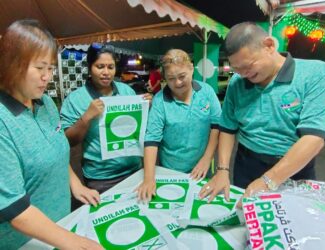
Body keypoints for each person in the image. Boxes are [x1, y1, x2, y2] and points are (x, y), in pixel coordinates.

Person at [199, 22, 325, 202]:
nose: (243, 75)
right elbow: (228, 128)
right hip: (247, 163)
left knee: (291, 223)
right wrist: (223, 170)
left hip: (294, 167)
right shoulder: (237, 83)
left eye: (248, 66)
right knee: (245, 221)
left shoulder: (316, 74)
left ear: (269, 46)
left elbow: (314, 138)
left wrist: (267, 181)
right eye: (237, 69)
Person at [0, 20, 102, 249]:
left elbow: (57, 149)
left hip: (61, 226)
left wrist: (75, 185)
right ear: (12, 65)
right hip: (25, 243)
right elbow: (15, 209)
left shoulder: (46, 103)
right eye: (39, 68)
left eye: (50, 69)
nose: (47, 77)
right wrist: (76, 243)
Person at [60, 43, 152, 194]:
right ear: (90, 67)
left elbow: (139, 126)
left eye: (111, 67)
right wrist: (86, 118)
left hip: (134, 170)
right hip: (101, 178)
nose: (106, 72)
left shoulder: (127, 91)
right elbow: (68, 141)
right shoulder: (76, 99)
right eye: (100, 66)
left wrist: (146, 107)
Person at [136, 49, 222, 201]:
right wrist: (149, 178)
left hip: (202, 168)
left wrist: (207, 159)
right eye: (171, 79)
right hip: (170, 171)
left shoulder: (206, 92)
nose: (177, 83)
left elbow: (216, 126)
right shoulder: (160, 100)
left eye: (182, 76)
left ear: (191, 68)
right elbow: (151, 140)